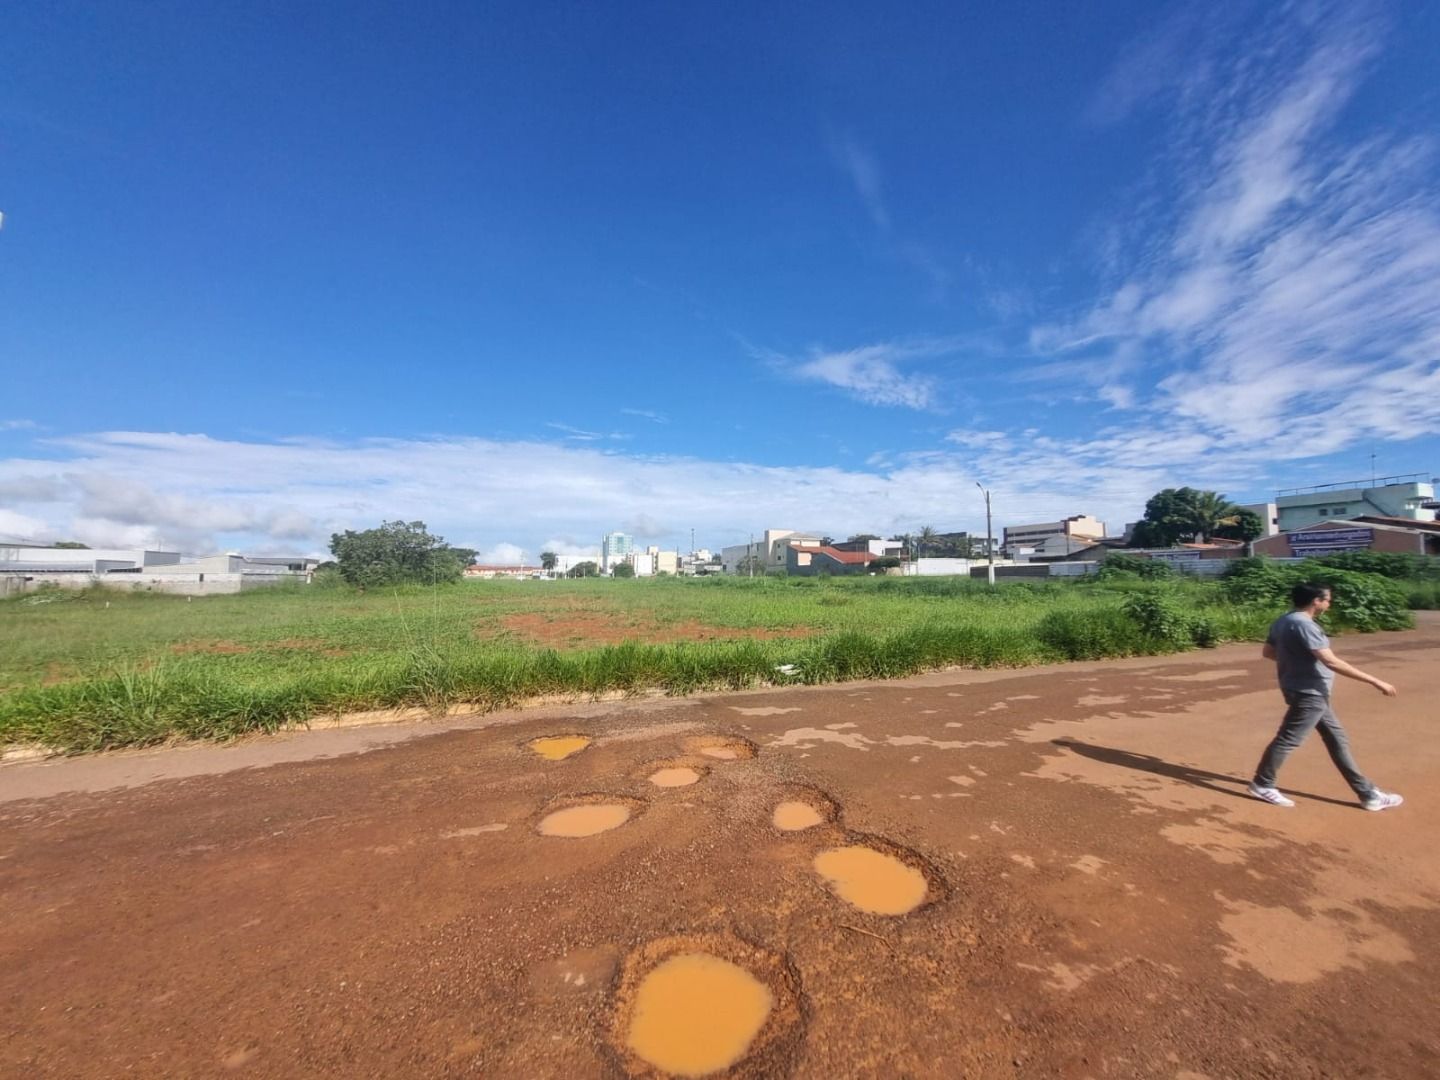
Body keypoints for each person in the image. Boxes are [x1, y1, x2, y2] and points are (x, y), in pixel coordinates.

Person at [1248, 582, 1403, 811]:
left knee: (1337, 740)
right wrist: (1375, 680)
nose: (1329, 603)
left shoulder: (1284, 620)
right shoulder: (1304, 625)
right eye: (1327, 599)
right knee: (1289, 739)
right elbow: (1330, 661)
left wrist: (1295, 665)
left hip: (1303, 689)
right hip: (1309, 693)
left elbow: (1269, 652)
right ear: (1316, 601)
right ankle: (1262, 783)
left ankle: (1368, 794)